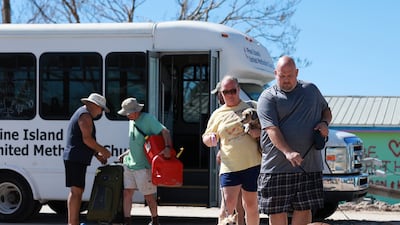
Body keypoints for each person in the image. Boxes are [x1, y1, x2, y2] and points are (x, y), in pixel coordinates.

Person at [257, 55, 332, 225]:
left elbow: (326, 110)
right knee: (276, 212)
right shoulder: (268, 97)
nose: (286, 80)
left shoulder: (311, 90)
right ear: (275, 73)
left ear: (297, 72)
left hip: (309, 166)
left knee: (304, 211)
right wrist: (288, 152)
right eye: (281, 76)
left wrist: (324, 123)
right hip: (276, 168)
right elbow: (271, 129)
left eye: (290, 75)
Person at [202, 75, 261, 225]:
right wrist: (210, 139)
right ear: (221, 93)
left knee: (251, 206)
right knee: (226, 208)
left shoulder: (251, 107)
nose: (230, 95)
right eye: (226, 92)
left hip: (252, 164)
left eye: (233, 91)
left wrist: (257, 133)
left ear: (239, 90)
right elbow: (206, 137)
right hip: (229, 166)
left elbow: (267, 130)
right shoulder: (217, 114)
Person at [117, 97, 172, 225]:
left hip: (144, 166)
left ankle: (155, 220)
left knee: (148, 196)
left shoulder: (148, 119)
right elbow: (137, 142)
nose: (126, 115)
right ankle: (127, 221)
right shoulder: (132, 121)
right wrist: (126, 153)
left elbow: (165, 132)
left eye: (128, 113)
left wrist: (167, 147)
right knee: (127, 193)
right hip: (130, 163)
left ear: (136, 111)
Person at [63, 93, 112, 225]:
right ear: (94, 105)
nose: (101, 112)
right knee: (76, 191)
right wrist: (103, 150)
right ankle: (73, 222)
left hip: (76, 157)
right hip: (75, 158)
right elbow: (87, 139)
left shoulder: (84, 114)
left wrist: (97, 155)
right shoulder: (85, 116)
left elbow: (85, 140)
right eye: (101, 108)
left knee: (77, 191)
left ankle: (73, 222)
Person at [211, 81, 246, 225]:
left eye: (223, 93)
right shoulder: (220, 112)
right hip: (229, 161)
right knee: (233, 202)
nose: (220, 97)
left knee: (235, 202)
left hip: (240, 161)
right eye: (222, 93)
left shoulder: (240, 108)